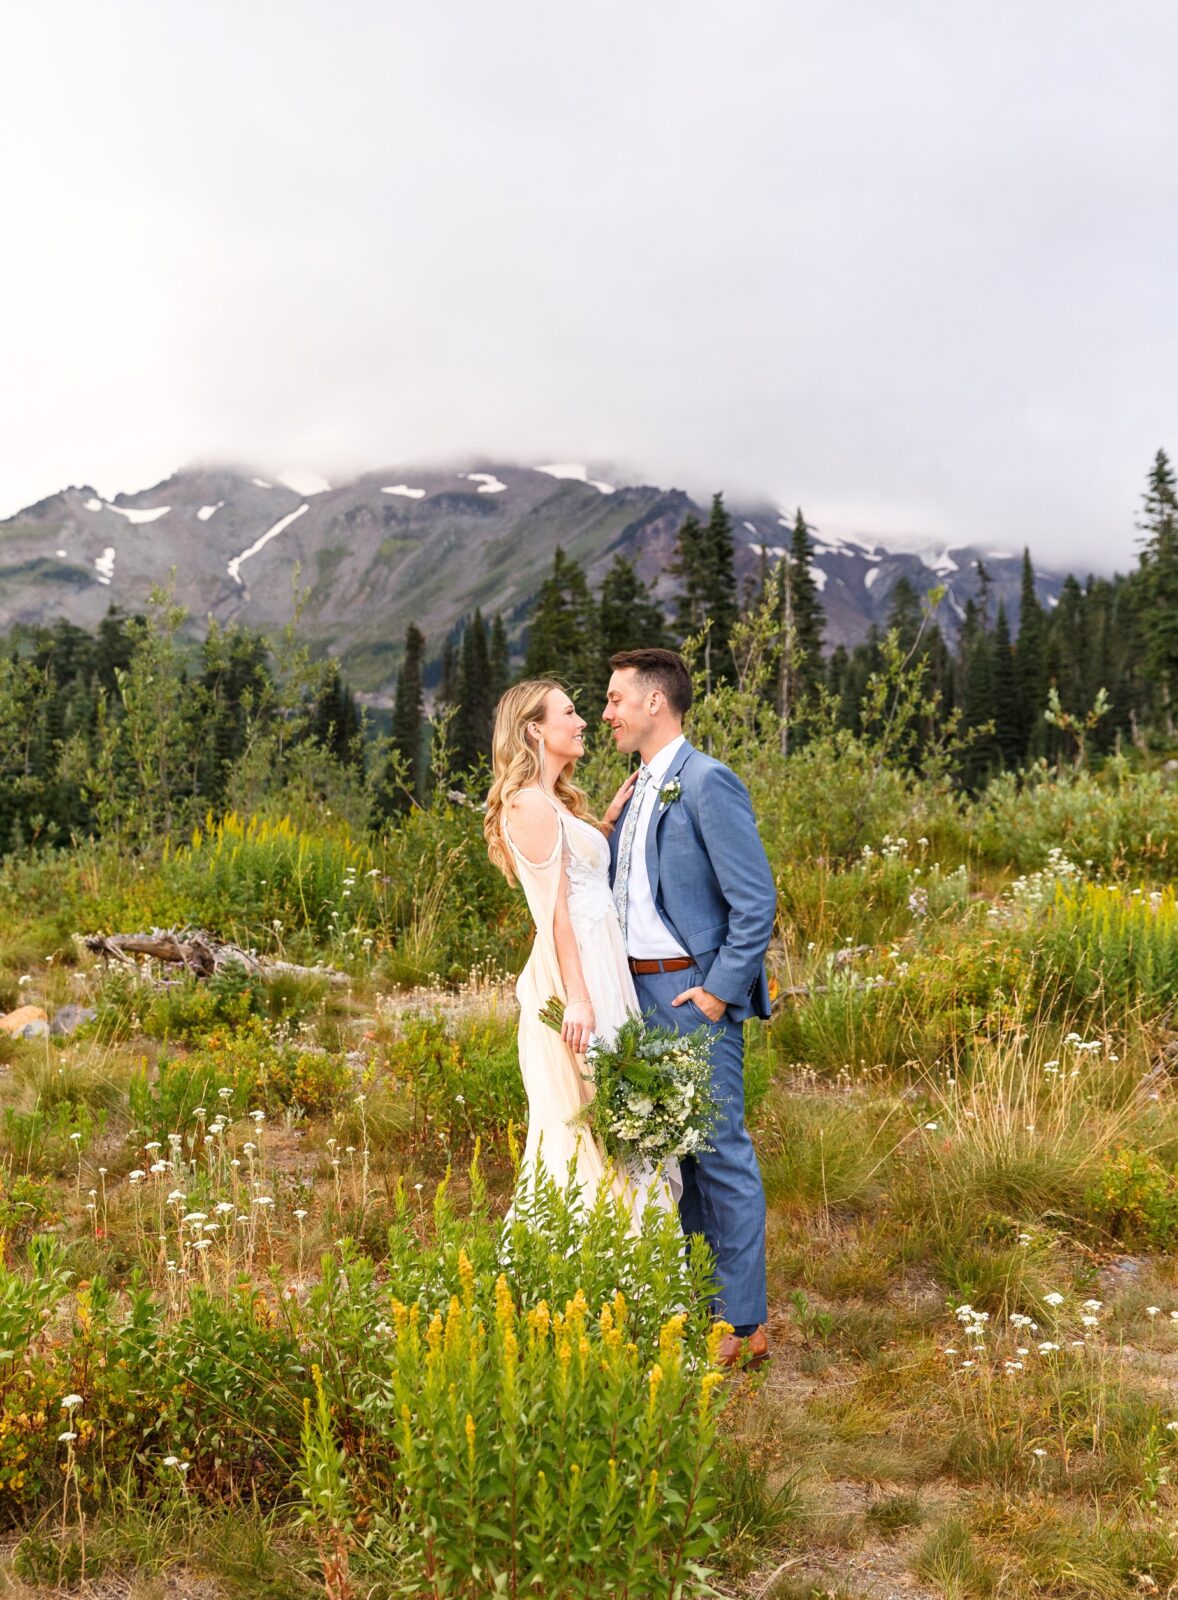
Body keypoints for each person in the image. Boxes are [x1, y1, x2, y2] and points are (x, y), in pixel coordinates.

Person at [604, 648, 776, 1369]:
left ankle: (745, 1325)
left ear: (654, 704)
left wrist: (716, 992)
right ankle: (707, 1305)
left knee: (720, 1150)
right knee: (677, 1155)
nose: (607, 712)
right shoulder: (639, 786)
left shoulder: (706, 782)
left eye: (615, 699)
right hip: (637, 994)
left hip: (689, 995)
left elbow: (754, 899)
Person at [484, 678, 677, 1226]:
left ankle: (631, 1265)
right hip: (578, 977)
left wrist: (605, 826)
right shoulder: (525, 804)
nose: (584, 720)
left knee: (619, 1119)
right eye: (569, 712)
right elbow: (556, 912)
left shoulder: (550, 804)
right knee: (586, 1122)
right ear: (535, 729)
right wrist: (579, 998)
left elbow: (576, 869)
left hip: (599, 968)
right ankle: (586, 1266)